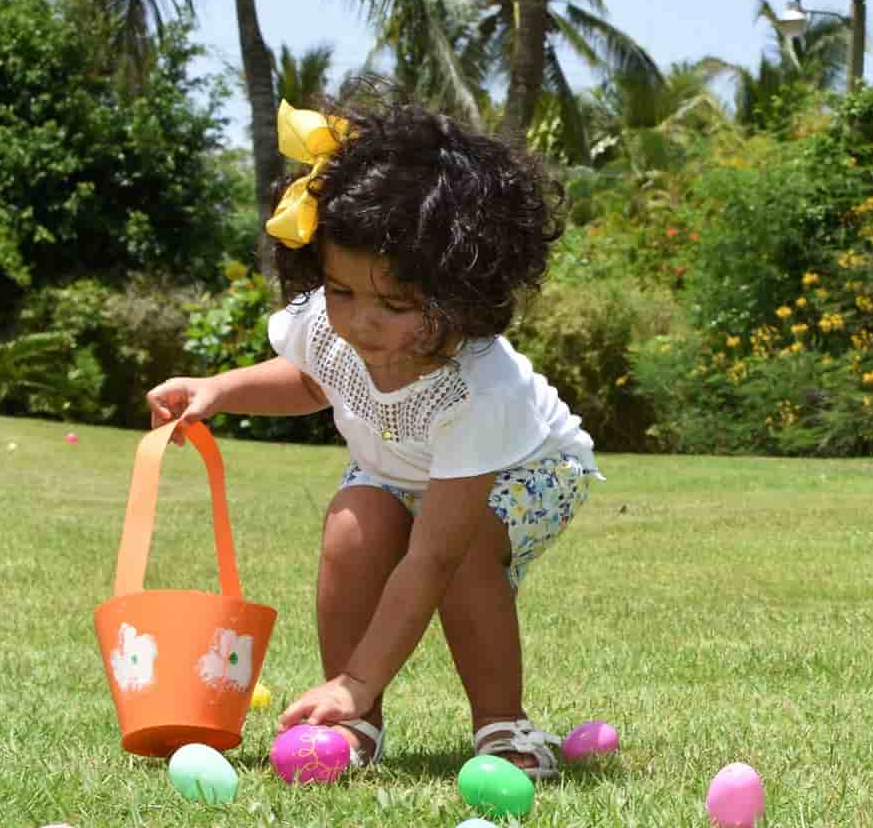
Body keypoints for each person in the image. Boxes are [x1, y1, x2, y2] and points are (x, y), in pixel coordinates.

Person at [145, 92, 598, 780]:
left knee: (465, 552)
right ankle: (354, 721)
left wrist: (363, 674)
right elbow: (311, 380)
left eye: (394, 304)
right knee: (351, 528)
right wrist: (221, 390)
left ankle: (501, 723)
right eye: (341, 291)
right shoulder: (331, 325)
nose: (361, 322)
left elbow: (431, 557)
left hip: (524, 469)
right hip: (394, 461)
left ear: (461, 295)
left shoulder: (480, 389)